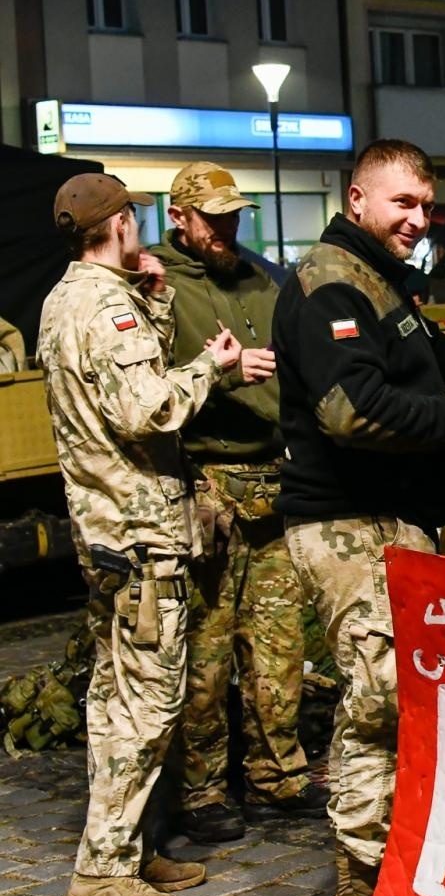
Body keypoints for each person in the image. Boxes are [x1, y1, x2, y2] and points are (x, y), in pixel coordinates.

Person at [272, 139, 445, 896]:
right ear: (357, 201)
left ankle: (396, 865)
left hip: (394, 520)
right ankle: (361, 877)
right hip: (346, 523)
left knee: (405, 698)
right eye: (401, 204)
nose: (418, 220)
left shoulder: (377, 279)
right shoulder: (329, 285)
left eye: (425, 205)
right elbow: (354, 411)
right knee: (383, 698)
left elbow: (412, 354)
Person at [36, 173, 244, 896]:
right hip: (139, 536)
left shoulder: (66, 298)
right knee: (148, 707)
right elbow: (146, 407)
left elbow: (112, 380)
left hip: (105, 534)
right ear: (120, 223)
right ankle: (102, 874)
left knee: (113, 701)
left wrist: (154, 298)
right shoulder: (103, 307)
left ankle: (127, 849)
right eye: (136, 218)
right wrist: (209, 368)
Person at [150, 162, 327, 845]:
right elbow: (146, 393)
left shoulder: (259, 277)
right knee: (207, 650)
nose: (227, 228)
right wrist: (221, 377)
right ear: (179, 217)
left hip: (274, 479)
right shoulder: (157, 287)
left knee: (279, 646)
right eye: (213, 217)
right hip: (209, 483)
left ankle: (277, 774)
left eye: (233, 216)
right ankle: (200, 792)